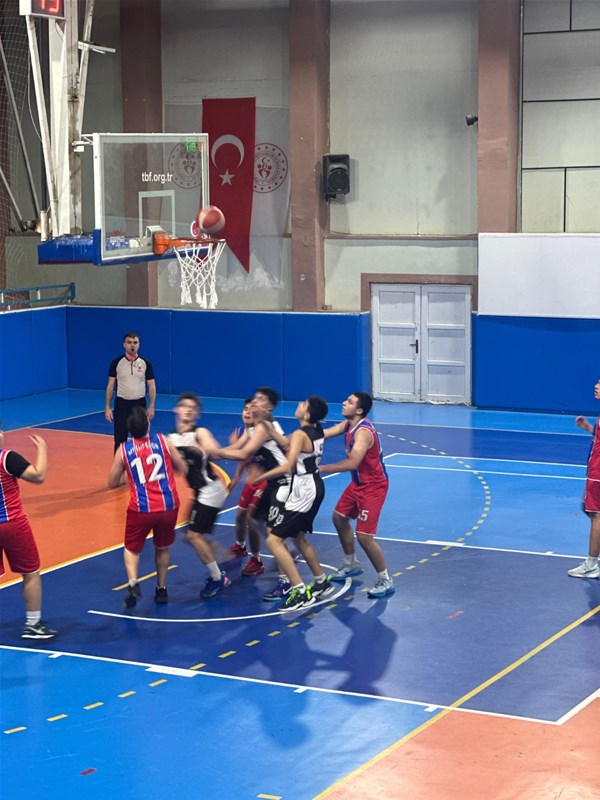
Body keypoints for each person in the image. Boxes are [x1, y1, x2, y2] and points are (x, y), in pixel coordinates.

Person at [258, 396, 335, 611]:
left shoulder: (301, 434)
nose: (299, 405)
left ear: (307, 414)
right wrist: (268, 425)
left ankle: (300, 591)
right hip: (314, 485)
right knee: (299, 537)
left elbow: (288, 465)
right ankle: (321, 581)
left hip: (303, 489)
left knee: (274, 540)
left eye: (303, 405)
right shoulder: (316, 430)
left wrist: (261, 477)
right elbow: (286, 443)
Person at [217, 386, 292, 600]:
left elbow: (244, 453)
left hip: (283, 483)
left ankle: (286, 581)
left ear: (268, 407)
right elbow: (240, 451)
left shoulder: (266, 427)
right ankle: (267, 559)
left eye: (259, 400)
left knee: (275, 536)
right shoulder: (254, 428)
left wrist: (210, 452)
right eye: (253, 400)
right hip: (272, 482)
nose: (254, 403)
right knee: (255, 520)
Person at [108, 406, 187, 608]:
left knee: (131, 549)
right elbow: (182, 468)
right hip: (168, 505)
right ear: (148, 424)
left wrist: (130, 476)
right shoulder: (163, 441)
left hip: (141, 508)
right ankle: (161, 589)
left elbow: (112, 482)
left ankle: (133, 582)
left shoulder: (124, 450)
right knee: (162, 547)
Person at [321, 391, 394, 598]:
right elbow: (323, 433)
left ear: (359, 410)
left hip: (373, 486)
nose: (344, 403)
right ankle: (351, 563)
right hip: (358, 483)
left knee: (364, 536)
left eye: (350, 402)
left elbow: (352, 462)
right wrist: (292, 438)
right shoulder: (348, 425)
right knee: (339, 517)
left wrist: (321, 468)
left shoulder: (363, 433)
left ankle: (385, 579)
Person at [168, 392, 231, 598]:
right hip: (199, 491)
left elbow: (214, 451)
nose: (188, 410)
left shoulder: (200, 433)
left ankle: (218, 578)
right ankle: (217, 552)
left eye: (193, 408)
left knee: (193, 535)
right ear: (176, 409)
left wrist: (204, 450)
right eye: (184, 406)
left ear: (197, 414)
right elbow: (176, 469)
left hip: (211, 489)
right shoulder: (171, 438)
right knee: (190, 535)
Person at [0, 429, 56, 640]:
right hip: (12, 523)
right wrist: (42, 450)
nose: (2, 433)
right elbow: (38, 475)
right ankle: (33, 625)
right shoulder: (7, 458)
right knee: (31, 572)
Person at [226, 398, 268, 577]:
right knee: (240, 516)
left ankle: (257, 559)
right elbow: (244, 457)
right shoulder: (246, 431)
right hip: (252, 481)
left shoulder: (259, 432)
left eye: (252, 409)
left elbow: (242, 453)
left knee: (252, 519)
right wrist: (236, 477)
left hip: (265, 480)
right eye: (245, 409)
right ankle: (241, 546)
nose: (248, 412)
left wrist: (230, 446)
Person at [567, 386, 600, 579]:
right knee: (589, 510)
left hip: (598, 473)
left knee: (596, 515)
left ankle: (591, 564)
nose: (596, 386)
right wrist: (588, 428)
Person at [105, 331, 156, 452]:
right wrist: (107, 407)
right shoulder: (116, 363)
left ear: (139, 344)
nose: (132, 345)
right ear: (124, 344)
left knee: (141, 438)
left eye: (135, 342)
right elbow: (110, 386)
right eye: (129, 342)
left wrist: (151, 406)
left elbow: (151, 386)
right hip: (121, 405)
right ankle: (119, 463)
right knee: (119, 439)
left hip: (139, 405)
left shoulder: (146, 363)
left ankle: (142, 462)